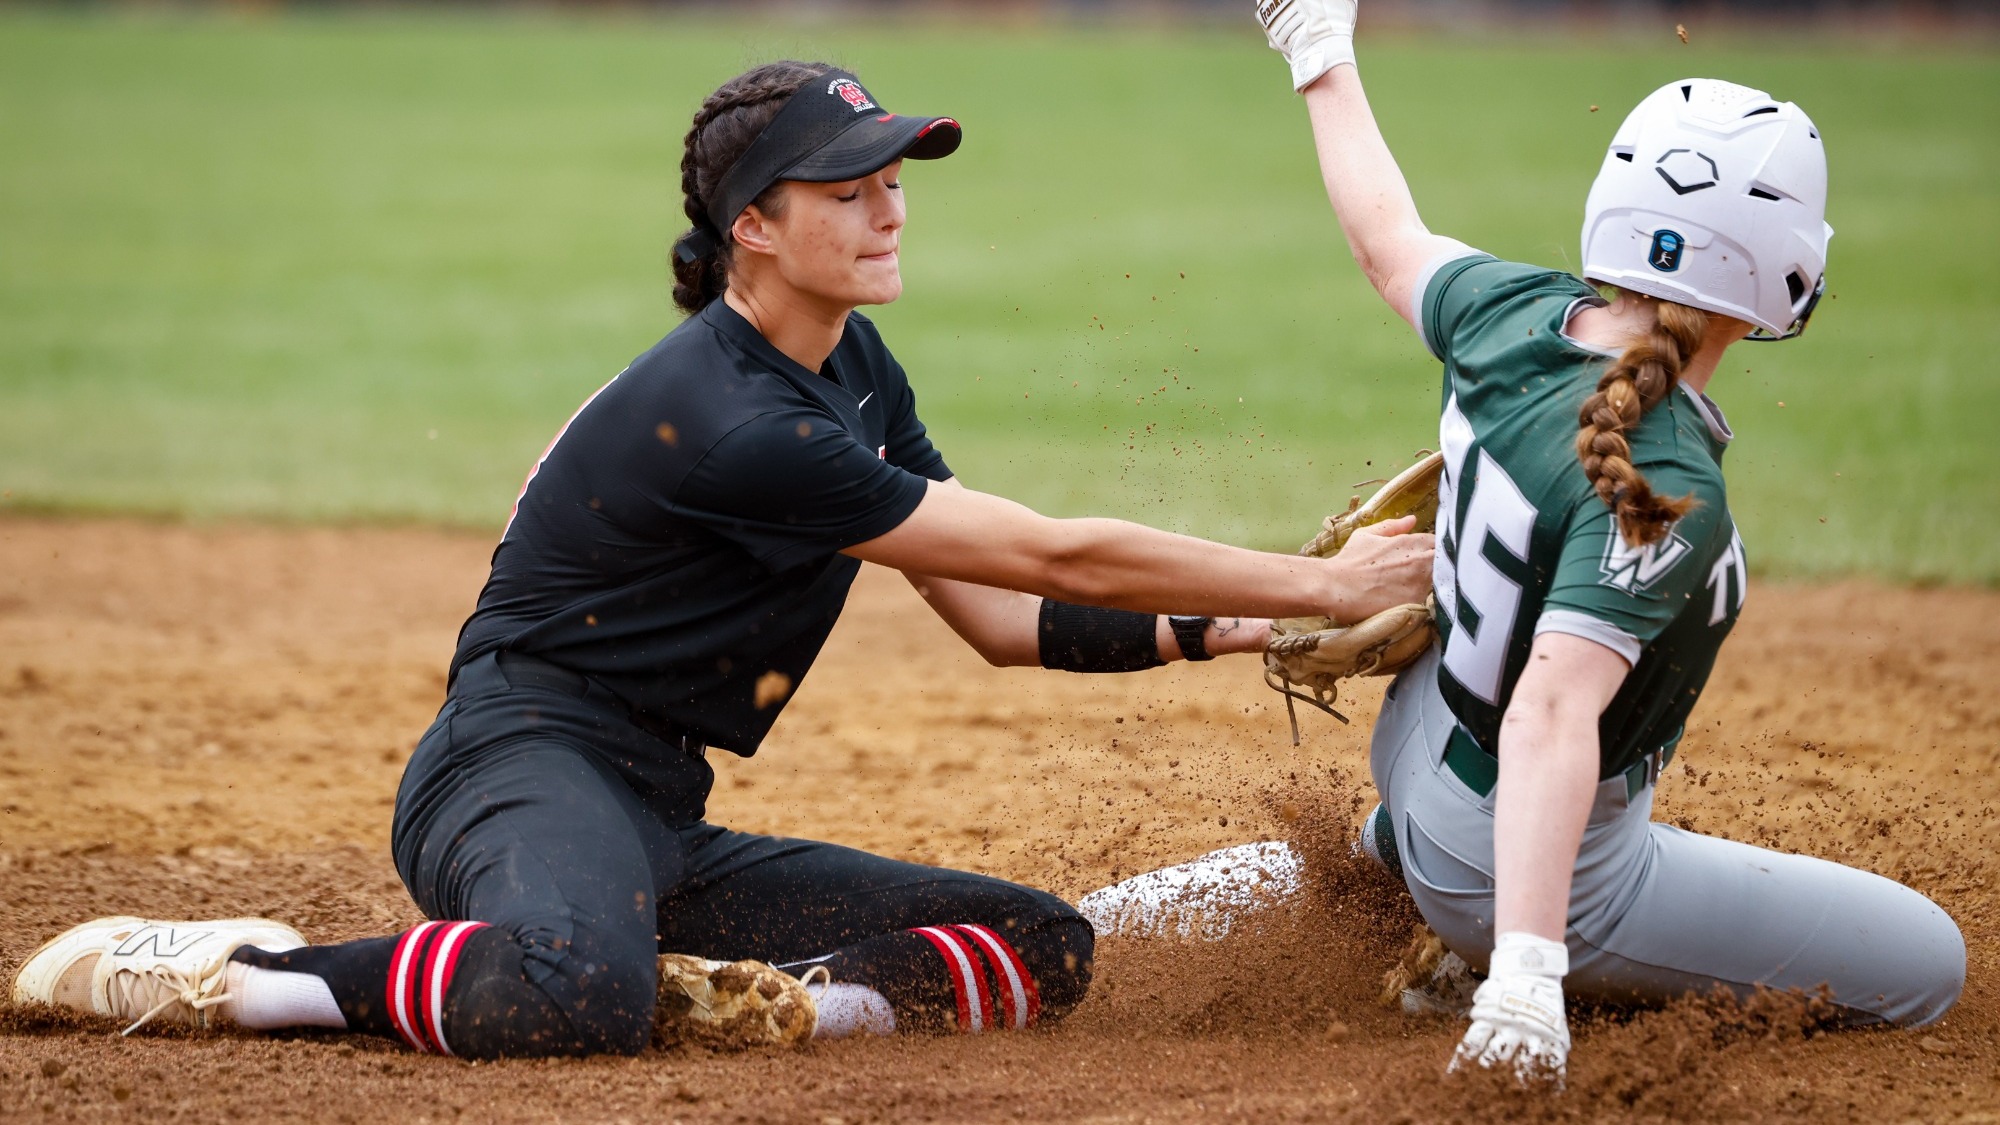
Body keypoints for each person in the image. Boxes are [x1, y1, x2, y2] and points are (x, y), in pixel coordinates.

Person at [12, 60, 1433, 1060]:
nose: (888, 209)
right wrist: (1316, 586)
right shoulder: (737, 418)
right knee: (570, 993)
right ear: (751, 228)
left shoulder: (850, 368)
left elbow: (1003, 616)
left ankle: (793, 1008)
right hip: (512, 768)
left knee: (1040, 942)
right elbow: (1049, 548)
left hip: (654, 815)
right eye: (846, 190)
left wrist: (1233, 632)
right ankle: (241, 975)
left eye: (892, 181)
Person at [1084, 0, 1965, 1082]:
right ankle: (1486, 965)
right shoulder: (1664, 477)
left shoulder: (1513, 314)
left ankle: (1107, 919)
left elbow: (1386, 243)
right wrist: (1529, 975)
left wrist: (1319, 51)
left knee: (1493, 792)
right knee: (1927, 964)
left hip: (1418, 749)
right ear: (1781, 266)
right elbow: (1550, 712)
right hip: (1508, 864)